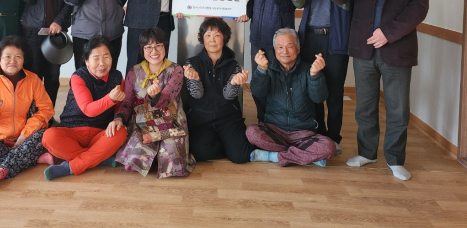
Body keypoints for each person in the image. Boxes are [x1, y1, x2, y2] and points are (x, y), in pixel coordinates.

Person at [314, 0, 429, 181]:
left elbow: (419, 8)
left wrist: (388, 33)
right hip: (364, 48)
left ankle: (395, 159)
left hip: (397, 48)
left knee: (397, 108)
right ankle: (367, 152)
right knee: (365, 106)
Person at [289, 0, 352, 154]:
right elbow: (298, 3)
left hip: (336, 38)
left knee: (334, 92)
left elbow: (347, 2)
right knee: (312, 88)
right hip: (309, 38)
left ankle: (333, 139)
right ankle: (317, 135)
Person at [0, 36, 54, 189]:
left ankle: (2, 171)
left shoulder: (33, 80)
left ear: (24, 59)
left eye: (18, 57)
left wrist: (25, 135)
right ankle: (31, 157)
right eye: (7, 57)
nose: (13, 61)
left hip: (24, 136)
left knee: (46, 135)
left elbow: (46, 109)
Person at [42, 36, 127, 180]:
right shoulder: (78, 76)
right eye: (96, 58)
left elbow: (120, 107)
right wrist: (110, 99)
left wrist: (118, 119)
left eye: (106, 57)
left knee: (120, 132)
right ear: (87, 61)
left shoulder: (117, 77)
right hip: (72, 131)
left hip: (99, 133)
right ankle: (99, 158)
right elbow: (88, 110)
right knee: (49, 136)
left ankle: (72, 166)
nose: (102, 63)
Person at [246, 28, 336, 166]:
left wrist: (315, 76)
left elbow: (319, 98)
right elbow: (258, 92)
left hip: (304, 134)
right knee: (252, 132)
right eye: (280, 47)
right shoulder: (268, 68)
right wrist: (261, 70)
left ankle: (274, 156)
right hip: (274, 130)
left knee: (329, 147)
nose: (285, 51)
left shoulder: (310, 69)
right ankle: (305, 156)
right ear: (275, 50)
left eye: (289, 46)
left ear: (298, 48)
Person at [114, 27, 195, 179]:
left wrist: (156, 95)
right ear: (142, 50)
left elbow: (167, 99)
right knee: (135, 158)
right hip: (142, 122)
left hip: (171, 121)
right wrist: (119, 118)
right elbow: (127, 102)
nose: (154, 51)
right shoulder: (134, 71)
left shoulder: (176, 70)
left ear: (165, 47)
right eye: (148, 47)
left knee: (171, 157)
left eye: (158, 45)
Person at [237, 0, 295, 122]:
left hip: (280, 42)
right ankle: (262, 120)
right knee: (258, 83)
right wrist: (246, 13)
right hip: (257, 38)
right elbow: (252, 1)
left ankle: (279, 122)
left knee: (280, 83)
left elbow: (291, 6)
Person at [183, 18, 254, 164]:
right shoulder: (192, 63)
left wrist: (234, 83)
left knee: (241, 157)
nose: (212, 40)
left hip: (227, 117)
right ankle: (227, 144)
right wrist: (195, 80)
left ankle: (230, 143)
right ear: (202, 38)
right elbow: (197, 95)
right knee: (199, 153)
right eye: (208, 35)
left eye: (217, 35)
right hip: (201, 118)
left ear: (224, 38)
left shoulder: (234, 65)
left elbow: (229, 96)